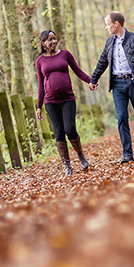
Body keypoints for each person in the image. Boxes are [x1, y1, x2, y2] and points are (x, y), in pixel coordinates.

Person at [89, 11, 134, 163]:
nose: (106, 28)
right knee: (121, 118)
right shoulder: (109, 43)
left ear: (116, 24)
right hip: (117, 85)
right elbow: (102, 63)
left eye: (107, 24)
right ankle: (127, 154)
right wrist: (94, 79)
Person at [35, 30, 92, 176]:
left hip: (67, 98)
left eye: (54, 39)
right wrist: (39, 106)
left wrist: (90, 81)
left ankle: (80, 154)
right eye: (50, 40)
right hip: (50, 101)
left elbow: (77, 71)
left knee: (70, 129)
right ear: (43, 43)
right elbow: (40, 84)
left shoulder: (65, 54)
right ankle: (67, 165)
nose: (53, 42)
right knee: (59, 132)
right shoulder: (40, 61)